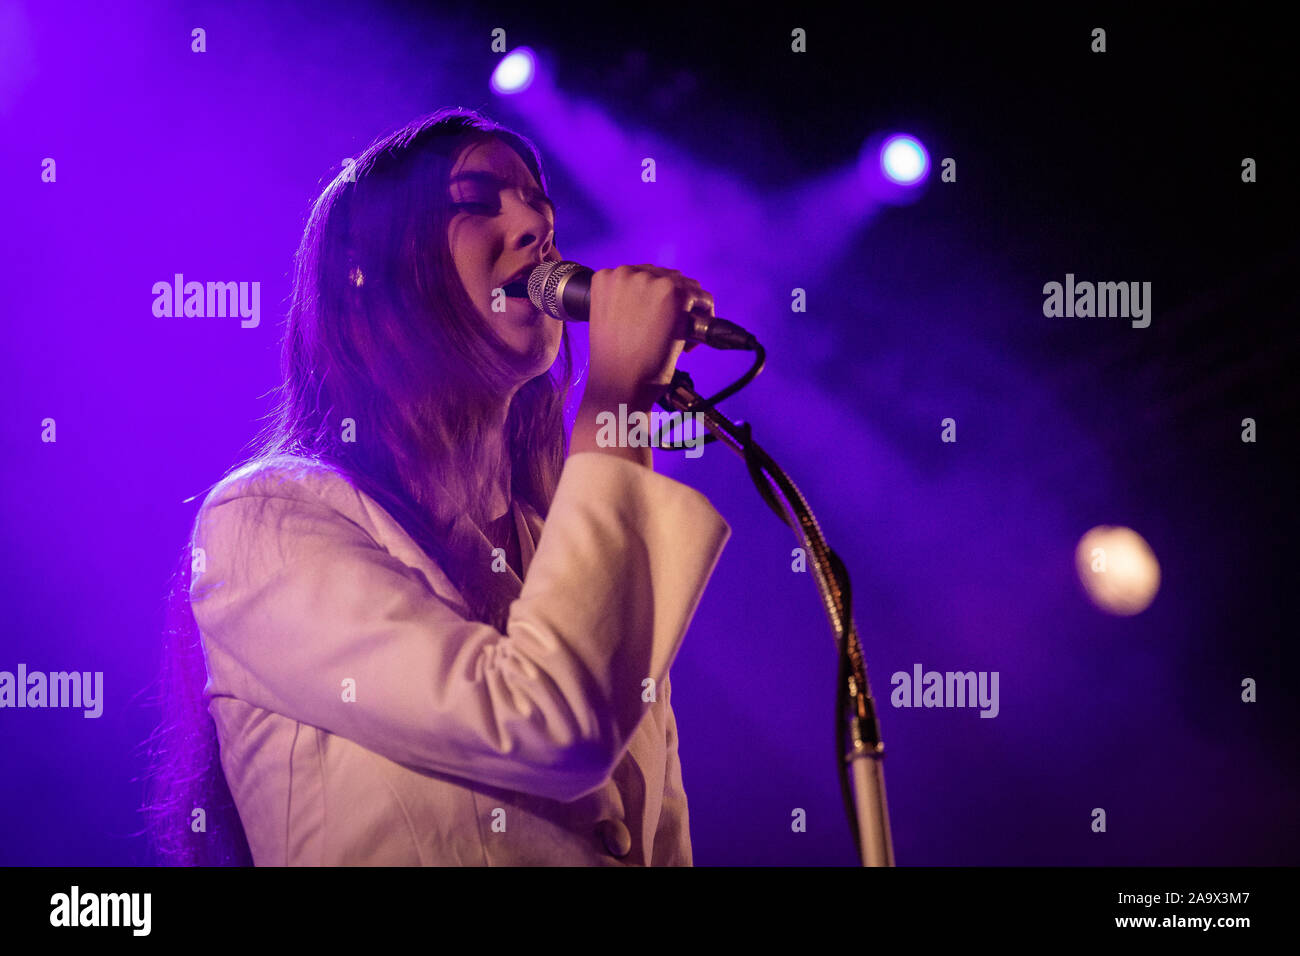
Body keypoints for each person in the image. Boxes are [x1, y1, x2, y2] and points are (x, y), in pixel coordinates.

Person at [142, 107, 730, 866]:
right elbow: (548, 725)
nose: (534, 223)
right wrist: (615, 404)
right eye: (478, 201)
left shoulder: (564, 548)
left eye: (537, 200)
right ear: (374, 278)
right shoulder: (266, 523)